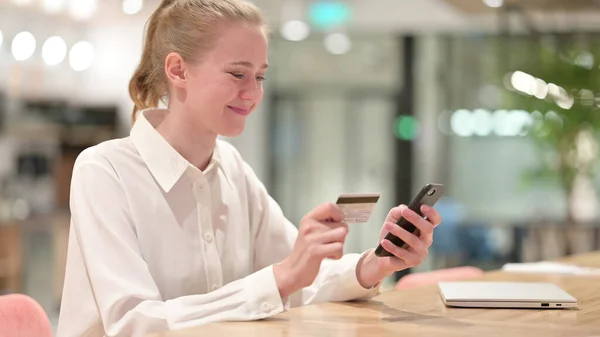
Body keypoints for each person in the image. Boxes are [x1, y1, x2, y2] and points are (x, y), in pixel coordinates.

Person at [56, 1, 442, 336]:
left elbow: (301, 279)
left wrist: (375, 262)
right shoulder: (104, 171)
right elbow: (133, 324)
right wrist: (281, 278)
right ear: (177, 70)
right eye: (237, 74)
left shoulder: (232, 168)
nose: (254, 93)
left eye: (259, 76)